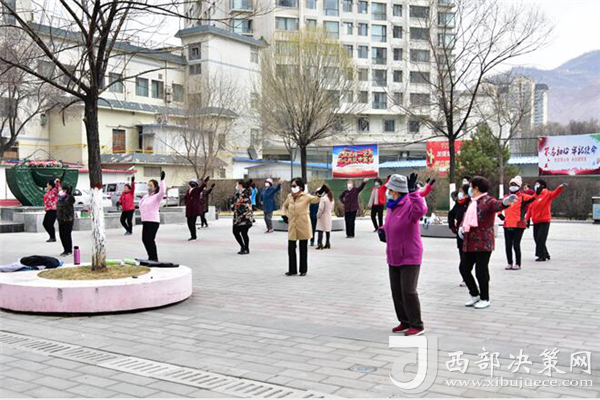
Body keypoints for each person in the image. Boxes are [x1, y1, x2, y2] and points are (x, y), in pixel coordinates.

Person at [459, 176, 517, 309]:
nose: (469, 189)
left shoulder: (488, 201)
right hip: (469, 242)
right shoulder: (473, 202)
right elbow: (466, 218)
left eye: (471, 187)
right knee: (464, 268)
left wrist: (506, 202)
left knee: (481, 271)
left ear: (476, 188)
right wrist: (462, 227)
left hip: (483, 243)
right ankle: (475, 294)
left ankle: (485, 298)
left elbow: (498, 205)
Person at [381, 173, 428, 336]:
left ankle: (417, 325)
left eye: (390, 190)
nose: (388, 192)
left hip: (410, 255)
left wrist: (413, 193)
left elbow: (421, 210)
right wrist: (382, 230)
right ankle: (405, 321)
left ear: (396, 190)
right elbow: (391, 224)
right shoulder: (391, 206)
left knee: (408, 290)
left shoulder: (409, 204)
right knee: (397, 291)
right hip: (393, 255)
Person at [282, 177, 320, 276]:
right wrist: (284, 215)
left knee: (303, 248)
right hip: (292, 224)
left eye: (294, 185)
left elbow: (315, 200)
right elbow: (284, 206)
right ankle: (292, 269)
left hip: (303, 224)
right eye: (291, 185)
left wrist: (320, 193)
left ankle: (303, 270)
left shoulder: (306, 196)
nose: (292, 187)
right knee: (291, 248)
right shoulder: (289, 196)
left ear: (300, 187)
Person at [498, 176, 534, 270]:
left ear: (519, 186)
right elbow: (499, 205)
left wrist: (537, 191)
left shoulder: (523, 197)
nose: (513, 186)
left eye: (515, 185)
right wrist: (499, 214)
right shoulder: (506, 197)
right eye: (511, 184)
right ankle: (509, 263)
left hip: (519, 224)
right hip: (507, 224)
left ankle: (518, 263)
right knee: (508, 245)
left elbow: (533, 198)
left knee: (516, 244)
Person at [526, 179, 567, 262]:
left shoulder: (547, 194)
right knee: (536, 238)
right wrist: (527, 219)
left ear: (542, 186)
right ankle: (546, 253)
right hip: (536, 220)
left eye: (537, 184)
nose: (536, 186)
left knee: (541, 238)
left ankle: (541, 256)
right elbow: (530, 208)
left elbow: (555, 193)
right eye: (535, 184)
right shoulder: (534, 196)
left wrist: (560, 187)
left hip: (544, 220)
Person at [139, 171, 166, 261]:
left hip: (153, 221)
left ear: (155, 187)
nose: (149, 187)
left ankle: (154, 258)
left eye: (151, 185)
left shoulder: (157, 196)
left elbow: (162, 191)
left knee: (150, 240)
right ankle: (150, 256)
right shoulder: (145, 196)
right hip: (145, 221)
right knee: (144, 240)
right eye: (148, 185)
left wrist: (162, 181)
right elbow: (141, 205)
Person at [448, 184, 471, 286]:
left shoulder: (471, 203)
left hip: (471, 234)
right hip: (460, 234)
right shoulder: (459, 203)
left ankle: (468, 277)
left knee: (469, 257)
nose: (460, 193)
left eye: (462, 191)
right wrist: (452, 226)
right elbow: (451, 214)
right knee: (462, 256)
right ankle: (465, 278)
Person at [232, 180, 254, 254]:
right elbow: (235, 202)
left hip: (245, 216)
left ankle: (246, 249)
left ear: (240, 185)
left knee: (244, 232)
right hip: (238, 217)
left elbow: (246, 200)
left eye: (237, 184)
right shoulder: (238, 193)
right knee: (235, 231)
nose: (236, 186)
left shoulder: (246, 193)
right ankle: (242, 246)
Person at [57, 184, 75, 257]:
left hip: (68, 220)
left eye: (64, 190)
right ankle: (65, 249)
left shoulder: (70, 198)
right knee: (61, 235)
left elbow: (68, 203)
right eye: (62, 190)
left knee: (67, 235)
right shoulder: (60, 198)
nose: (62, 191)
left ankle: (69, 250)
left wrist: (64, 196)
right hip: (61, 219)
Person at [316, 185, 334, 249]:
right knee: (327, 230)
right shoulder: (331, 198)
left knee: (320, 230)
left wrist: (318, 215)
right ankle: (327, 243)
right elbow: (332, 208)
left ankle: (319, 243)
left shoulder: (323, 198)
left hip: (322, 216)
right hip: (328, 215)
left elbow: (321, 209)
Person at [43, 178, 60, 242]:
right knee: (45, 223)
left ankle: (53, 237)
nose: (47, 184)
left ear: (51, 185)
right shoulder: (48, 191)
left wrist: (57, 181)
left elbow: (57, 187)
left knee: (50, 224)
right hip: (48, 209)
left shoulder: (54, 191)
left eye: (48, 184)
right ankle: (51, 236)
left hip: (53, 209)